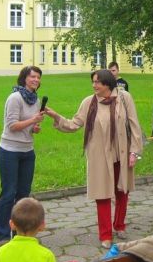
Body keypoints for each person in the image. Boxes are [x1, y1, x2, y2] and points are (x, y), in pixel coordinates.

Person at [46, 69, 143, 248]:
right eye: (93, 82)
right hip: (100, 156)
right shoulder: (89, 102)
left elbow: (134, 124)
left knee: (123, 190)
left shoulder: (124, 98)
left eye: (97, 82)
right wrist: (56, 117)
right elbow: (74, 124)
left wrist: (134, 151)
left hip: (122, 153)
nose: (94, 85)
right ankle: (105, 235)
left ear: (107, 83)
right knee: (102, 194)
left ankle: (119, 225)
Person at [0, 66, 46, 246]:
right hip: (9, 151)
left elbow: (29, 128)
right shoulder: (15, 98)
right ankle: (2, 236)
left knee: (23, 194)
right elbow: (12, 126)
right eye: (32, 77)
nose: (36, 80)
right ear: (24, 78)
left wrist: (35, 128)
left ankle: (20, 233)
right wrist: (33, 120)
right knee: (8, 194)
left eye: (38, 77)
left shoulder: (36, 100)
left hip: (27, 151)